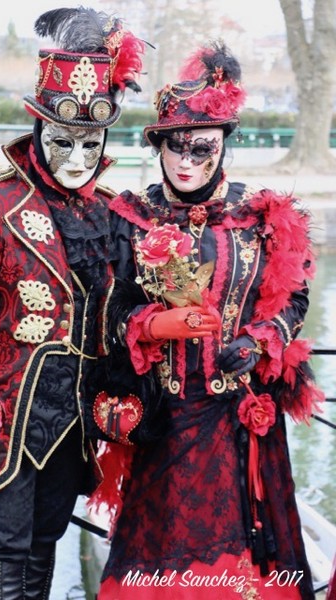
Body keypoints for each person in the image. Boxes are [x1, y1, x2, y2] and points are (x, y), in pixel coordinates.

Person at [89, 42, 325, 599]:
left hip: (232, 423)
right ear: (158, 149)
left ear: (223, 147)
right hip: (160, 421)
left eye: (201, 147)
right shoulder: (130, 219)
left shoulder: (259, 220)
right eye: (175, 147)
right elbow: (104, 310)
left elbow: (293, 301)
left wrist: (259, 341)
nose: (188, 159)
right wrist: (150, 327)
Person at [0, 7, 144, 598]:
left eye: (90, 145)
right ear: (37, 129)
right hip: (6, 412)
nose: (77, 160)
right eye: (62, 143)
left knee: (45, 542)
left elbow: (114, 313)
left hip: (74, 415)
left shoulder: (107, 211)